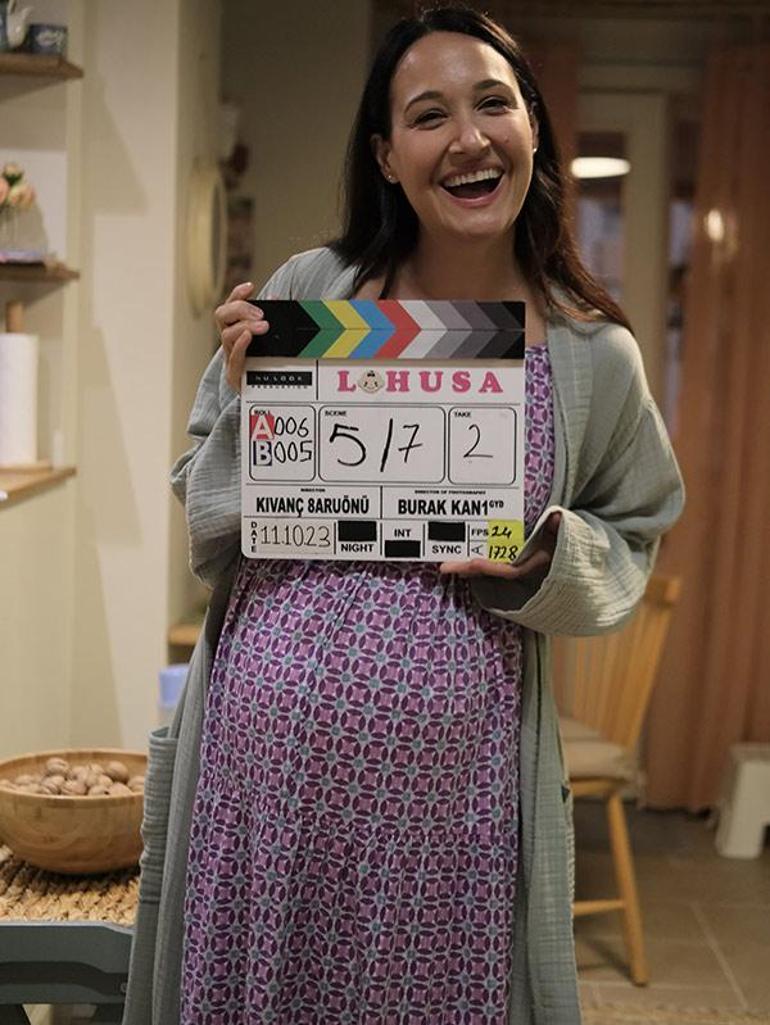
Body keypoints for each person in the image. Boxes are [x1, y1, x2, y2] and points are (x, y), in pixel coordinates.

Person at [122, 6, 684, 1024]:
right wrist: (249, 401)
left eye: (493, 104)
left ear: (531, 128)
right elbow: (199, 479)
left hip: (447, 820)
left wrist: (544, 554)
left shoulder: (591, 354)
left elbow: (635, 526)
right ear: (386, 155)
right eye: (429, 116)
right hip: (262, 790)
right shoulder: (312, 290)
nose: (468, 137)